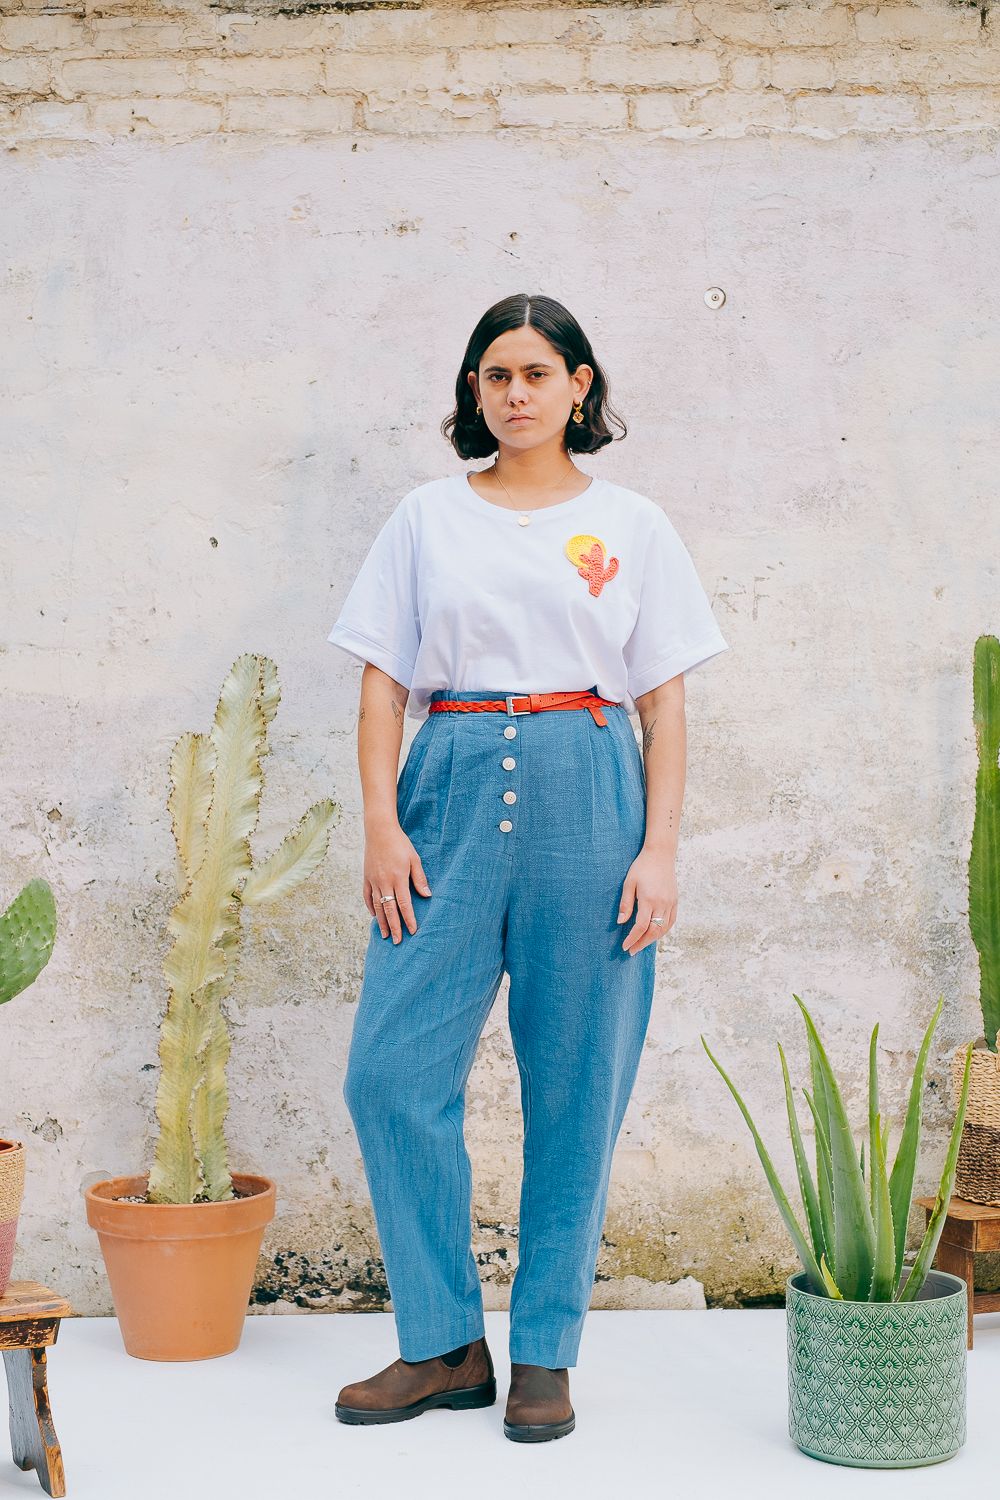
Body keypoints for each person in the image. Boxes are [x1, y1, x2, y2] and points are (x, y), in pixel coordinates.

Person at [326, 292, 729, 1443]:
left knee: (576, 1084)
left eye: (537, 373)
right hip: (444, 785)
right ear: (472, 392)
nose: (514, 393)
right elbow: (378, 684)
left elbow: (663, 698)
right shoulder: (422, 517)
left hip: (588, 787)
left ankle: (544, 1353)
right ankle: (444, 1343)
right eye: (494, 374)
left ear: (579, 387)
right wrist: (379, 823)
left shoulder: (636, 525)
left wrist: (658, 848)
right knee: (389, 1074)